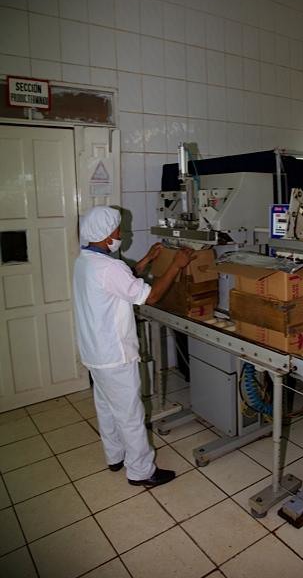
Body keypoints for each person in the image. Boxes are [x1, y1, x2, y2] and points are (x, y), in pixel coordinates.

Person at [73, 205, 194, 487]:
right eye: (118, 231)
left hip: (94, 353)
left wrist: (148, 259)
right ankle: (141, 471)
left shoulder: (85, 260)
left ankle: (115, 456)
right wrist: (176, 265)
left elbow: (122, 279)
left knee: (106, 406)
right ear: (106, 236)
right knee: (130, 415)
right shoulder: (110, 267)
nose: (121, 235)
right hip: (115, 355)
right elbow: (150, 297)